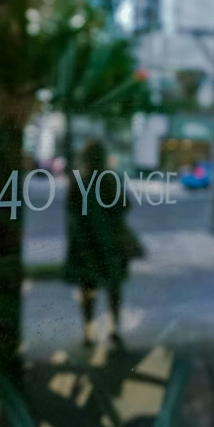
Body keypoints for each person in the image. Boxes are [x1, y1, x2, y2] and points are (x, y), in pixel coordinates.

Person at [64, 139, 139, 349]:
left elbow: (71, 213)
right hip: (111, 244)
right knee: (113, 288)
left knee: (88, 290)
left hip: (86, 245)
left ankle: (89, 332)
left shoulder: (79, 181)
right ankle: (114, 330)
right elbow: (125, 206)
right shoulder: (111, 180)